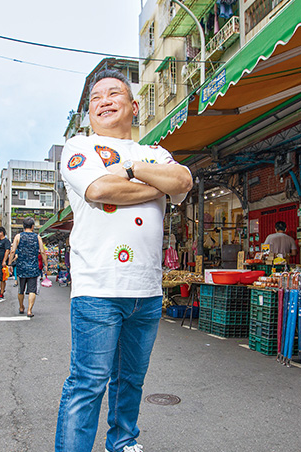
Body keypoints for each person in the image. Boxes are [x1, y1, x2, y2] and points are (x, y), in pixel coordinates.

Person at [55, 69, 193, 452]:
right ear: (89, 112)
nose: (104, 100)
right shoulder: (78, 147)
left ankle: (123, 443)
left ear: (134, 106)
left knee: (131, 380)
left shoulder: (154, 152)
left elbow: (181, 183)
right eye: (96, 97)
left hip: (146, 290)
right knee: (88, 383)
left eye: (114, 93)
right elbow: (99, 189)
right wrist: (155, 187)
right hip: (98, 286)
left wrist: (131, 171)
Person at [7, 217, 46, 317]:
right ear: (33, 226)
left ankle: (21, 307)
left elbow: (12, 251)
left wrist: (9, 264)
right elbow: (42, 251)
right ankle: (29, 310)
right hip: (33, 267)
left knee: (21, 290)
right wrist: (45, 264)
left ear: (23, 226)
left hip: (21, 267)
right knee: (32, 290)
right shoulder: (37, 237)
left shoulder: (18, 236)